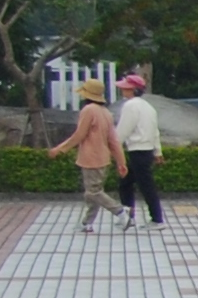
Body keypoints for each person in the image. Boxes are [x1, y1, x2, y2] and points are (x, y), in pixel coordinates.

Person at [47, 86, 127, 231]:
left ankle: (121, 212)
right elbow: (113, 140)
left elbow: (79, 135)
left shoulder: (88, 110)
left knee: (93, 192)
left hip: (91, 157)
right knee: (94, 191)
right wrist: (121, 161)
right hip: (103, 157)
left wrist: (60, 149)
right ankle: (87, 223)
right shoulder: (106, 113)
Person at [113, 74, 166, 224]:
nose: (123, 89)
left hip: (137, 150)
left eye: (126, 87)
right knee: (127, 183)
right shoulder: (148, 107)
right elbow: (155, 132)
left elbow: (123, 130)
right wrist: (158, 151)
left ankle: (156, 219)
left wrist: (113, 146)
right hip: (146, 150)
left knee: (145, 186)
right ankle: (128, 216)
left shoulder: (130, 106)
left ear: (133, 89)